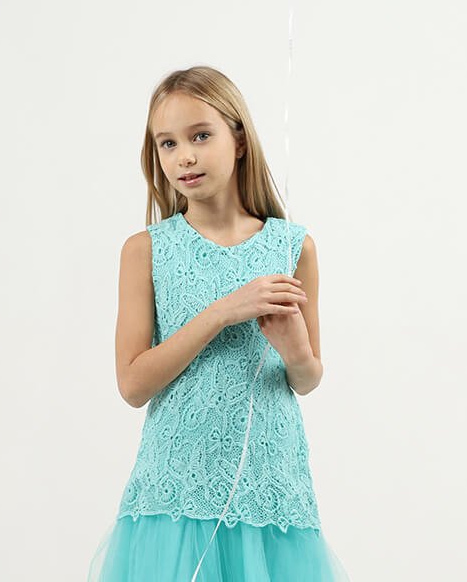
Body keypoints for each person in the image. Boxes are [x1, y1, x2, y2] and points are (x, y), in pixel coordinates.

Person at [86, 65, 351, 581]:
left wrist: (296, 351)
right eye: (167, 143)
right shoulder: (145, 251)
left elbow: (307, 378)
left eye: (200, 136)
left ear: (240, 140)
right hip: (178, 490)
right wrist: (222, 312)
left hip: (270, 486)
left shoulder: (294, 247)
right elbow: (133, 384)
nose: (183, 156)